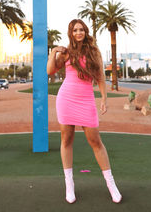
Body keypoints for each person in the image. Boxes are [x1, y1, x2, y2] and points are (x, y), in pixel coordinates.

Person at [47, 18, 122, 204]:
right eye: (75, 30)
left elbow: (100, 79)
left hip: (86, 100)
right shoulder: (65, 53)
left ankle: (111, 184)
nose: (78, 33)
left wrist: (104, 99)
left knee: (95, 141)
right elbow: (50, 71)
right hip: (66, 99)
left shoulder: (94, 52)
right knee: (66, 139)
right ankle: (69, 184)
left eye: (81, 29)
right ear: (70, 33)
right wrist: (54, 52)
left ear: (85, 31)